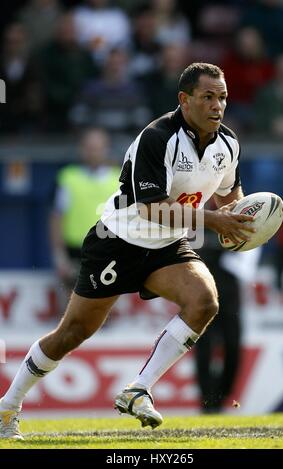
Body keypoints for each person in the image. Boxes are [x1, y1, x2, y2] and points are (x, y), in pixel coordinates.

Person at [0, 62, 255, 439]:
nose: (217, 106)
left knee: (205, 302)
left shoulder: (228, 144)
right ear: (184, 100)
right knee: (73, 332)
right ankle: (7, 407)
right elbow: (151, 206)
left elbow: (229, 194)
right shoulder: (158, 136)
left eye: (223, 98)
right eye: (208, 97)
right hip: (118, 241)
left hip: (167, 244)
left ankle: (138, 388)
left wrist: (243, 219)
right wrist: (215, 222)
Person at [50, 127, 120, 301]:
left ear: (106, 149)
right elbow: (57, 217)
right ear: (81, 149)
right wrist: (59, 255)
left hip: (107, 250)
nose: (94, 153)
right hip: (75, 250)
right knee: (72, 307)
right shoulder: (67, 177)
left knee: (102, 308)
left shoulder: (119, 179)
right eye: (89, 148)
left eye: (98, 148)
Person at [194, 224, 241, 413]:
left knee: (233, 345)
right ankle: (207, 398)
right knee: (203, 348)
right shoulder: (193, 217)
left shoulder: (236, 218)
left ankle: (222, 396)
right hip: (202, 295)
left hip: (229, 296)